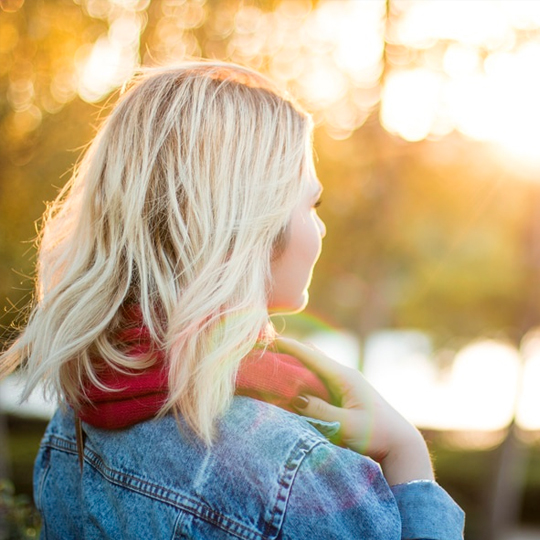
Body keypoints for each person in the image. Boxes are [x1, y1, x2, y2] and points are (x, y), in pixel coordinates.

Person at [0, 61, 464, 539]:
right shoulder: (291, 474)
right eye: (312, 205)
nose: (320, 228)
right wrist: (406, 453)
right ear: (252, 224)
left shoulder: (83, 402)